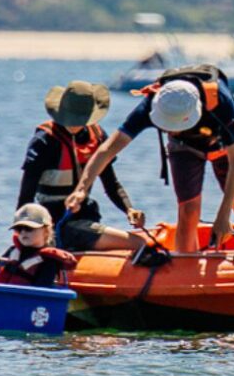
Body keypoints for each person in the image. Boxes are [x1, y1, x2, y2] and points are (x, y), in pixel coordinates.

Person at [67, 63, 234, 255]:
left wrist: (223, 215)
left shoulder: (220, 101)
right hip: (184, 148)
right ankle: (187, 271)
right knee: (188, 212)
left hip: (224, 147)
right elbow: (107, 150)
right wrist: (81, 189)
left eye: (176, 125)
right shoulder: (152, 103)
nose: (170, 128)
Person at [19, 80, 158, 258]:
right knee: (140, 243)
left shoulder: (97, 137)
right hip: (57, 224)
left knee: (142, 242)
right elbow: (26, 195)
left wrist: (129, 209)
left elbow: (111, 183)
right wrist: (23, 233)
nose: (74, 123)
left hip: (86, 219)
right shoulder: (44, 141)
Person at [0, 204, 77, 288]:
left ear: (46, 230)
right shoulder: (12, 251)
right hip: (0, 297)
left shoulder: (48, 260)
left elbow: (43, 290)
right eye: (19, 229)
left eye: (29, 228)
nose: (23, 232)